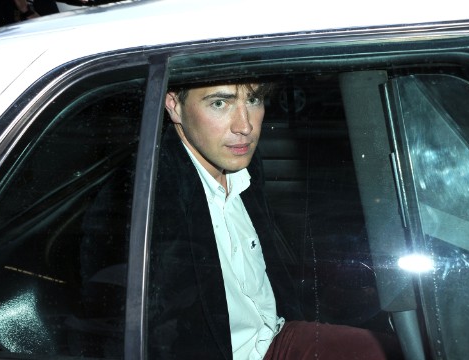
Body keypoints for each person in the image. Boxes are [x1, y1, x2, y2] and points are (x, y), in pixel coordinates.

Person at [146, 79, 404, 359]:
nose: (244, 126)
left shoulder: (243, 166)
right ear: (174, 105)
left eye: (254, 100)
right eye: (220, 103)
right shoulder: (153, 194)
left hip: (277, 338)